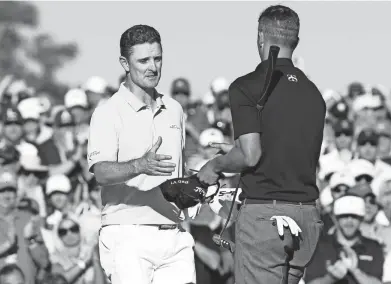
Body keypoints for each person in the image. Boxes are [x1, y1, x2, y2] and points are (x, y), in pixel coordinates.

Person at [197, 5, 325, 284]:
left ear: (259, 37)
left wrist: (216, 164)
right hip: (307, 216)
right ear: (296, 41)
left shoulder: (245, 86)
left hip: (267, 218)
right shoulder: (314, 93)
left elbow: (251, 155)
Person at [88, 25, 195, 284]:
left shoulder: (175, 109)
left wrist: (197, 188)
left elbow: (176, 173)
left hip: (174, 233)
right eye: (143, 60)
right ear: (125, 63)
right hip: (127, 233)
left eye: (157, 58)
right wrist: (139, 165)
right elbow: (100, 172)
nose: (153, 67)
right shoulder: (107, 111)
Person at [304, 195, 384, 284]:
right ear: (336, 218)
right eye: (345, 216)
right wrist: (331, 277)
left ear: (361, 219)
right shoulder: (320, 246)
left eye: (354, 216)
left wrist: (355, 271)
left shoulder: (373, 247)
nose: (349, 221)